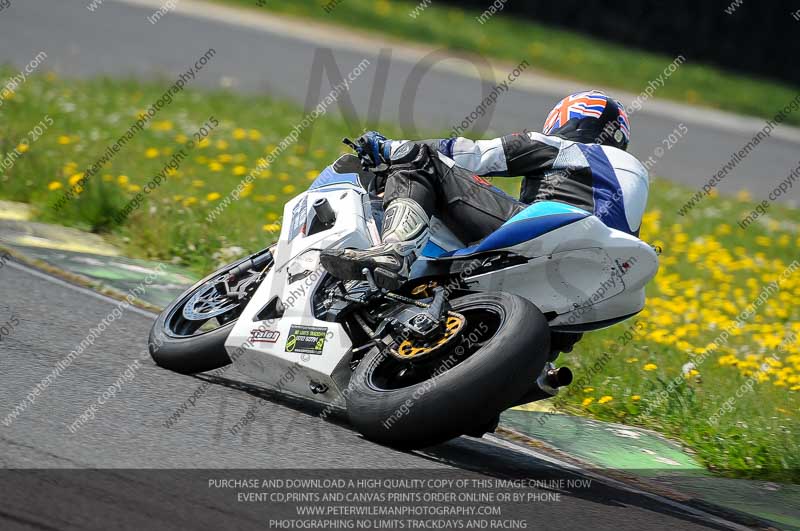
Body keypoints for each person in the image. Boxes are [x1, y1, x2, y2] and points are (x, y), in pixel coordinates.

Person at [320, 90, 649, 291]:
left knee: (421, 160)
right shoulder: (638, 176)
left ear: (564, 119)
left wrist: (389, 149)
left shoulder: (564, 148)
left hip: (546, 237)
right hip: (593, 277)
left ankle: (393, 252)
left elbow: (474, 154)